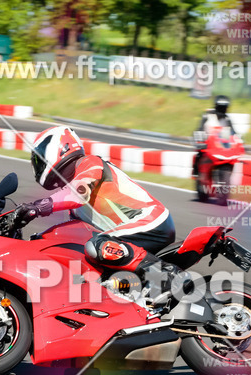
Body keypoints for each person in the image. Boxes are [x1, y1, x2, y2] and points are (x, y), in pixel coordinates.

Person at [13, 125, 179, 305]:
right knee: (88, 267)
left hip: (149, 220)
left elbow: (80, 191)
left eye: (39, 158)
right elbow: (73, 234)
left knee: (97, 245)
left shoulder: (88, 163)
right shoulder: (71, 201)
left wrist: (37, 207)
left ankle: (167, 276)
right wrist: (36, 241)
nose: (37, 164)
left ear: (61, 146)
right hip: (125, 237)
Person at [192, 95, 234, 177]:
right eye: (221, 107)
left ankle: (227, 173)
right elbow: (199, 129)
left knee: (232, 159)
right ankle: (196, 172)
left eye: (224, 107)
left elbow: (234, 133)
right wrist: (200, 140)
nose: (223, 109)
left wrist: (239, 141)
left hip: (223, 146)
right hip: (208, 144)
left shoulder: (227, 119)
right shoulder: (207, 116)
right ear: (216, 106)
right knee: (200, 153)